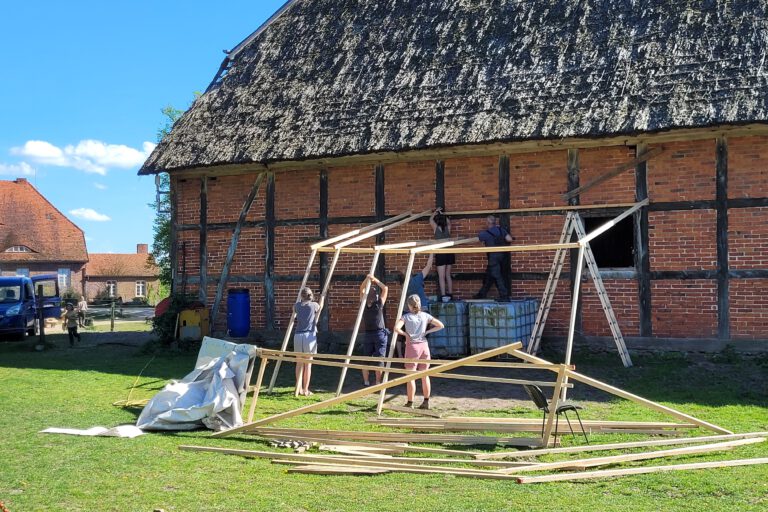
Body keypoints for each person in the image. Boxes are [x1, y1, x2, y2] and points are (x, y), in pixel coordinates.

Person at [394, 294, 444, 410]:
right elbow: (441, 325)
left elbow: (396, 328)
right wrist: (427, 332)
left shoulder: (406, 317)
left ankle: (410, 402)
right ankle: (426, 402)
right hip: (424, 346)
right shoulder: (425, 316)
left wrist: (405, 334)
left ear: (409, 305)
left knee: (411, 376)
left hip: (412, 346)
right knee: (424, 375)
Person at [474, 215, 513, 301]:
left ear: (487, 223)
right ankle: (482, 293)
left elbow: (477, 238)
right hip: (502, 257)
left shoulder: (485, 234)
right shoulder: (501, 230)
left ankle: (504, 296)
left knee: (497, 276)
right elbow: (509, 239)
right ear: (495, 223)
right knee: (489, 276)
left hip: (493, 258)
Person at [360, 274, 389, 386]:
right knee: (379, 360)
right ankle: (377, 382)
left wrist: (367, 279)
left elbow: (361, 289)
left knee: (366, 359)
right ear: (376, 297)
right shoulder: (379, 304)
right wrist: (375, 279)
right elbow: (385, 288)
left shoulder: (364, 304)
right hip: (378, 334)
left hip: (370, 334)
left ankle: (367, 381)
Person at [293, 287, 320, 396]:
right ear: (311, 295)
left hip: (298, 335)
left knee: (299, 364)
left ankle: (298, 388)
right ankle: (305, 389)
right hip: (309, 335)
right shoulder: (314, 305)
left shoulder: (297, 306)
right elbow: (319, 308)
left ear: (301, 296)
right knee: (308, 364)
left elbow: (295, 308)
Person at [429, 208, 454, 302]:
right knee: (448, 275)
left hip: (441, 254)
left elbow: (430, 220)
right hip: (449, 253)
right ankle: (450, 294)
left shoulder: (436, 228)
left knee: (441, 276)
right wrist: (442, 214)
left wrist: (435, 212)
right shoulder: (448, 227)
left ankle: (444, 295)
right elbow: (448, 221)